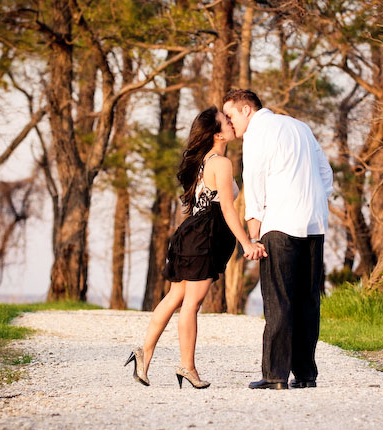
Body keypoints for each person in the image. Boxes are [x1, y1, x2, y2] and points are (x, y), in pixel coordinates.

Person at [125, 106, 267, 389]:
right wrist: (246, 243)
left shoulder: (202, 162)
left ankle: (144, 355)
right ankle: (187, 366)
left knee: (174, 297)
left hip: (189, 233)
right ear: (217, 134)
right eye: (225, 122)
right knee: (191, 304)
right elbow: (227, 208)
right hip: (204, 237)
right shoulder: (222, 164)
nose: (230, 123)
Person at [222, 89, 333, 390]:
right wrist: (316, 200)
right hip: (314, 222)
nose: (230, 124)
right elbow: (326, 172)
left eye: (231, 116)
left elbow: (254, 176)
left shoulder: (257, 133)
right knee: (308, 301)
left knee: (279, 300)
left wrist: (253, 222)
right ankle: (306, 375)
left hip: (280, 224)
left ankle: (274, 375)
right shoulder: (300, 126)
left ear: (247, 110)